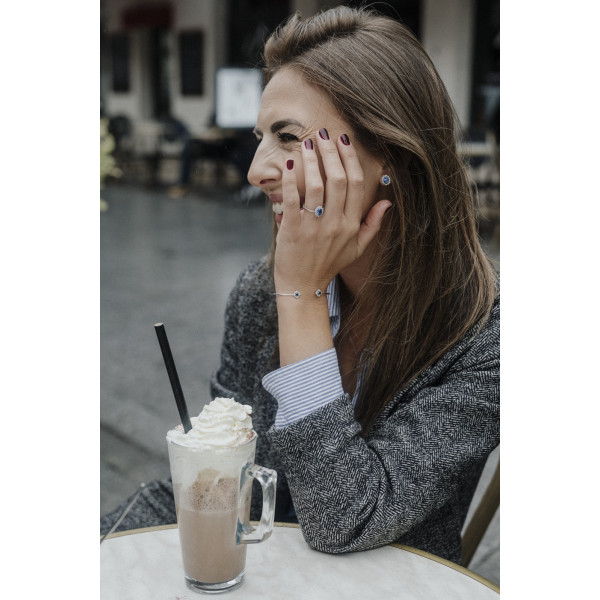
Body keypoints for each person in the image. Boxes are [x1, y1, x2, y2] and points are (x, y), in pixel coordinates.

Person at [101, 6, 499, 566]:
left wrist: (302, 297)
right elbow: (218, 480)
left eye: (287, 137)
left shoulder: (487, 334)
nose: (255, 170)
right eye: (260, 137)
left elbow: (346, 518)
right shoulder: (259, 294)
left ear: (389, 155)